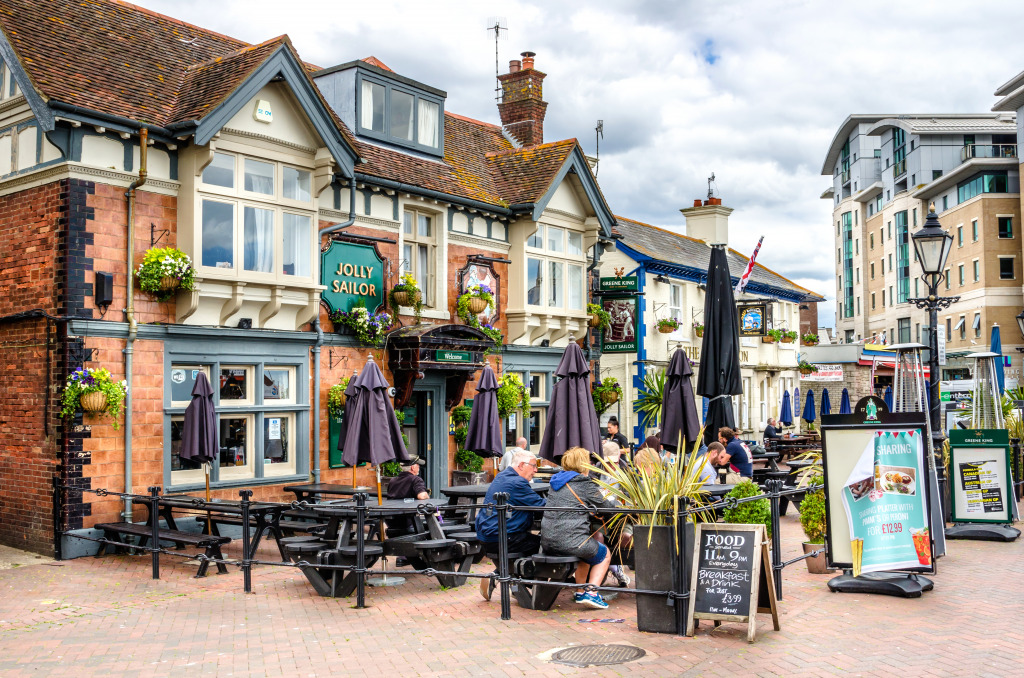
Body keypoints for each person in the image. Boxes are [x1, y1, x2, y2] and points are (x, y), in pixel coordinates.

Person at [541, 447, 620, 609]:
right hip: (571, 542)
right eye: (588, 461)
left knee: (587, 550)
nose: (591, 464)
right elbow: (607, 507)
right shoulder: (583, 483)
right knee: (604, 553)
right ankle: (591, 593)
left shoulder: (555, 481)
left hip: (548, 541)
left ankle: (580, 591)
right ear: (583, 464)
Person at [476, 449, 545, 601]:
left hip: (487, 537)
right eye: (533, 465)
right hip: (502, 538)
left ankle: (499, 574)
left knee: (532, 541)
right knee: (548, 545)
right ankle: (539, 587)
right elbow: (542, 506)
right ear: (521, 465)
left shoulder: (502, 476)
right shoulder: (518, 482)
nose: (536, 470)